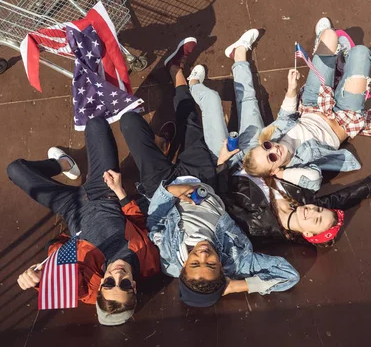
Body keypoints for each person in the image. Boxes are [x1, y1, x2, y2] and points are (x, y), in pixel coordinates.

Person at [119, 37, 300, 308]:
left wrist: (171, 192)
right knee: (190, 119)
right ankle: (176, 70)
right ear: (222, 270)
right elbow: (289, 275)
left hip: (162, 185)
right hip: (203, 177)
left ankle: (162, 143)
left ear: (183, 269)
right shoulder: (239, 259)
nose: (203, 254)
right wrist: (239, 286)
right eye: (211, 263)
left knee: (129, 122)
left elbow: (154, 222)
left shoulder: (168, 262)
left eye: (194, 262)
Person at [189, 28, 371, 246]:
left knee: (211, 99)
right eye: (319, 211)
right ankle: (239, 53)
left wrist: (221, 162)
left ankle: (192, 85)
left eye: (315, 219)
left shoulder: (258, 227)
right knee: (249, 99)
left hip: (226, 159)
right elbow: (343, 198)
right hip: (258, 151)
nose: (312, 212)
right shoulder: (303, 197)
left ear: (308, 235)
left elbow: (219, 196)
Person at [7, 117, 160, 326]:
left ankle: (61, 164)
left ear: (100, 287)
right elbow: (140, 223)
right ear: (134, 286)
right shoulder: (149, 262)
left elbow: (55, 251)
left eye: (109, 283)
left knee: (15, 170)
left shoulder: (85, 288)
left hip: (70, 208)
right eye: (124, 285)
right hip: (105, 190)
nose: (117, 275)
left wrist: (39, 277)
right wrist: (120, 192)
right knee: (96, 124)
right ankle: (66, 164)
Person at [241, 18, 371, 191]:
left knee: (330, 35)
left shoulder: (273, 136)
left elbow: (285, 114)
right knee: (361, 53)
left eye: (266, 146)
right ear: (273, 170)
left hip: (313, 103)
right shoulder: (299, 166)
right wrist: (281, 175)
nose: (274, 149)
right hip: (343, 117)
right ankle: (341, 64)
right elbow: (314, 180)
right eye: (271, 158)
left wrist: (292, 90)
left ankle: (336, 60)